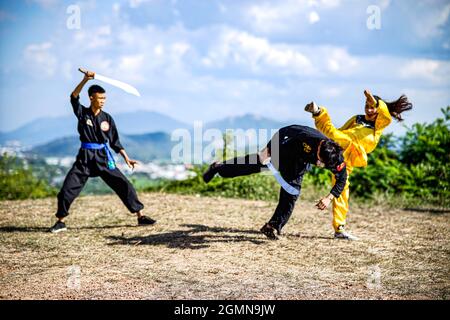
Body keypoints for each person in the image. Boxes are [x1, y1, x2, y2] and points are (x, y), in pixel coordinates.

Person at [49, 69, 156, 233]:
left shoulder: (107, 118)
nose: (103, 101)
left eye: (105, 98)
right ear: (91, 98)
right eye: (100, 98)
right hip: (84, 158)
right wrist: (85, 80)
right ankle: (60, 221)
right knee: (66, 190)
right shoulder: (82, 113)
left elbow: (115, 141)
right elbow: (74, 97)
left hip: (103, 158)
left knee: (124, 185)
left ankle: (140, 216)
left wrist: (126, 158)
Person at [202, 125, 348, 240]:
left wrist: (329, 198)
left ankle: (272, 226)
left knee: (291, 194)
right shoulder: (307, 134)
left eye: (322, 164)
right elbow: (283, 131)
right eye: (319, 161)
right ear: (319, 149)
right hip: (283, 151)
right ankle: (219, 168)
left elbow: (342, 179)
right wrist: (268, 149)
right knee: (253, 163)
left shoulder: (334, 158)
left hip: (297, 166)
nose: (320, 164)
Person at [305, 89, 413, 240]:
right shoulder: (357, 119)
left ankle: (339, 228)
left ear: (377, 108)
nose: (368, 109)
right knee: (334, 135)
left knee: (342, 190)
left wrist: (374, 101)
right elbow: (340, 132)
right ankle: (318, 112)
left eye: (372, 107)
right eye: (366, 106)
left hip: (354, 154)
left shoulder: (379, 124)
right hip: (343, 148)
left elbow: (386, 116)